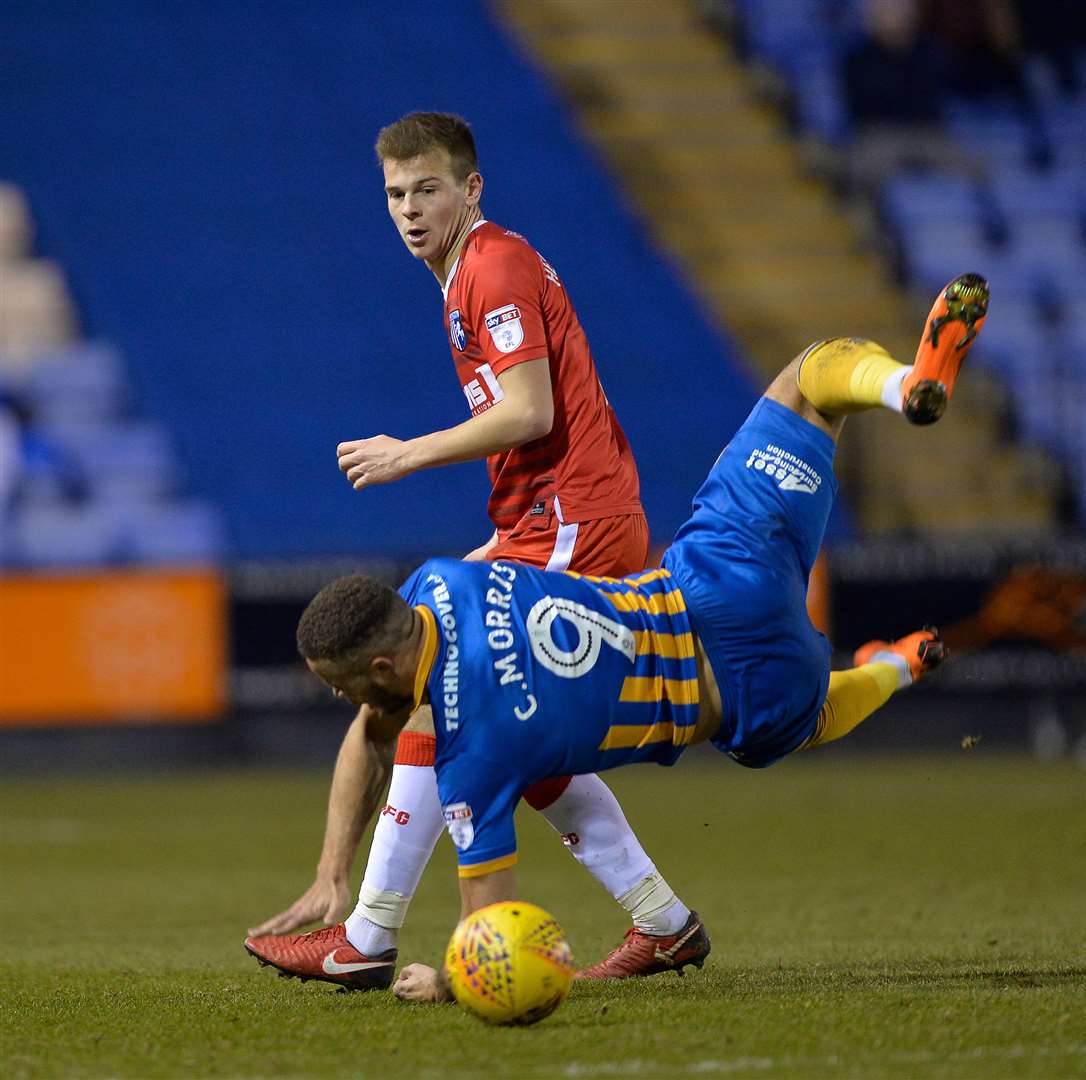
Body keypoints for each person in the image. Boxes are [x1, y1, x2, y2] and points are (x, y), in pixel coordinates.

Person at [259, 272, 990, 1003]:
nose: (334, 695)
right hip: (718, 582)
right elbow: (392, 701)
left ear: (382, 666)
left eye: (340, 682)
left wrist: (449, 981)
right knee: (809, 377)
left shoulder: (475, 758)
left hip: (746, 699)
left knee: (814, 719)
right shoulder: (440, 580)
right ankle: (904, 388)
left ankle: (895, 667)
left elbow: (489, 927)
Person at [246, 112, 703, 987]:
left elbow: (530, 412)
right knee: (504, 734)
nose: (410, 209)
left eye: (427, 189)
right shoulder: (464, 271)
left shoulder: (488, 269)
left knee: (448, 700)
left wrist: (404, 453)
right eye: (394, 193)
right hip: (541, 520)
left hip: (576, 524)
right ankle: (663, 922)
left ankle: (367, 938)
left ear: (470, 189)